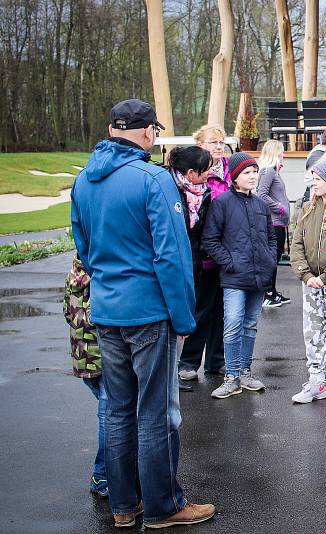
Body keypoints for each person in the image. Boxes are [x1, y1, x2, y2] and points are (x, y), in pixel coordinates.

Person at [71, 99, 214, 528]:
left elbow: (83, 248)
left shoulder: (83, 180)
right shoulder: (153, 179)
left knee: (117, 411)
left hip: (107, 309)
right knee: (154, 413)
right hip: (148, 313)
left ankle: (123, 505)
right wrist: (185, 319)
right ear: (148, 132)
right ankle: (163, 507)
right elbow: (171, 257)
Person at [203, 152, 275, 399]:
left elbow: (271, 237)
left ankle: (245, 372)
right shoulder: (221, 203)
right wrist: (228, 262)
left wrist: (270, 260)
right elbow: (210, 240)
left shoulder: (261, 204)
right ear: (234, 177)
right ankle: (231, 376)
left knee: (250, 325)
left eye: (255, 171)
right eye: (247, 172)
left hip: (259, 276)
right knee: (232, 325)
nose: (253, 176)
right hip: (234, 277)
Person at [290, 159, 326, 403]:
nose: (313, 183)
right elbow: (296, 243)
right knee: (312, 331)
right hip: (310, 282)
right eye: (313, 178)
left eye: (318, 179)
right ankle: (316, 381)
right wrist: (305, 275)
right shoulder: (307, 206)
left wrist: (325, 277)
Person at [178, 125, 229, 382]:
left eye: (221, 142)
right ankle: (188, 361)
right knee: (200, 309)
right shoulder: (196, 174)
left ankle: (216, 360)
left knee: (222, 310)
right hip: (202, 256)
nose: (218, 147)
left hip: (227, 254)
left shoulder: (231, 171)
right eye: (212, 142)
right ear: (199, 145)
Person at [168, 146, 213, 392]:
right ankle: (170, 374)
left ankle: (181, 368)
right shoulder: (169, 190)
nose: (209, 174)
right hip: (174, 264)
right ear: (191, 172)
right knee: (174, 320)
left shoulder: (202, 192)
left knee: (193, 316)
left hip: (195, 261)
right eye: (205, 170)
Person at [63, 256, 107, 498]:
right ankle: (102, 476)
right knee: (110, 416)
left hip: (83, 361)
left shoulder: (73, 274)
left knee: (109, 413)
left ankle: (110, 472)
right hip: (100, 358)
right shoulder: (95, 278)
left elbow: (67, 313)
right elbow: (96, 317)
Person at [257, 140, 292, 308]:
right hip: (273, 222)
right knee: (272, 258)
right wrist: (279, 208)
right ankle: (267, 293)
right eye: (281, 153)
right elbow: (261, 194)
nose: (283, 155)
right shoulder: (268, 172)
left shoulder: (273, 171)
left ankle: (273, 291)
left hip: (279, 222)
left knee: (275, 257)